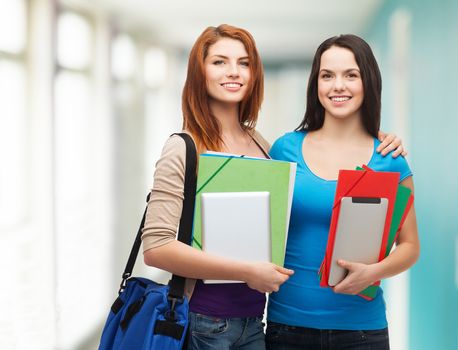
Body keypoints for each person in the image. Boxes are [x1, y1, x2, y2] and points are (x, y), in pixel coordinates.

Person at [141, 25, 406, 350]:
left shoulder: (266, 148)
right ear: (200, 72)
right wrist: (249, 271)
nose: (233, 72)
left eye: (244, 63)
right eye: (219, 62)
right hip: (202, 320)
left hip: (254, 323)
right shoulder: (184, 147)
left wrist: (376, 139)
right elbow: (156, 248)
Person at [265, 34, 420, 350]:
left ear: (369, 82)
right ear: (316, 84)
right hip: (287, 328)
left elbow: (410, 246)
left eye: (351, 75)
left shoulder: (389, 159)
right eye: (327, 75)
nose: (338, 86)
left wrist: (373, 273)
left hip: (362, 333)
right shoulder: (284, 150)